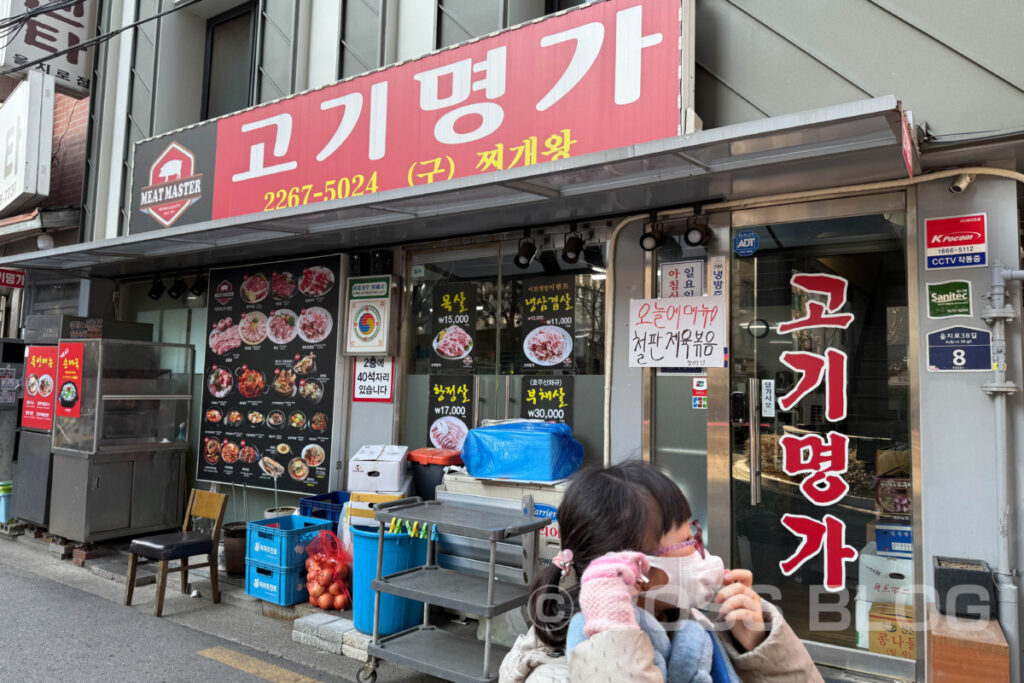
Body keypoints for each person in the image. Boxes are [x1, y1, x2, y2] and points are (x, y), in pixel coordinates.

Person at [500, 462, 823, 683]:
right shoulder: (555, 675)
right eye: (686, 540)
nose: (700, 546)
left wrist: (759, 646)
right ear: (637, 570)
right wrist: (614, 633)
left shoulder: (689, 628)